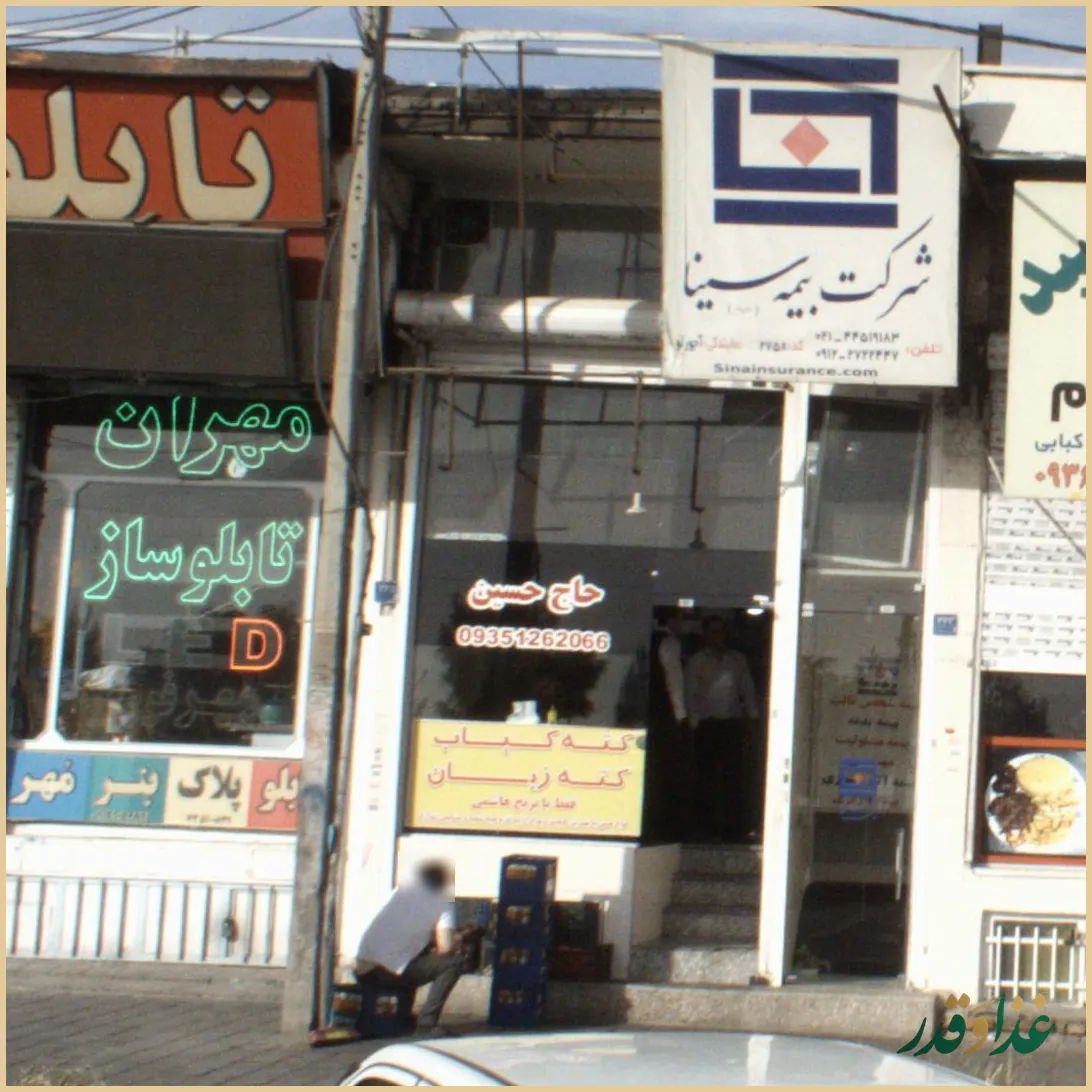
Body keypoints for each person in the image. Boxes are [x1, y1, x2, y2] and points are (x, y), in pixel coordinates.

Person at [353, 860, 470, 1038]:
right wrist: (458, 939)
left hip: (362, 969)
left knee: (413, 959)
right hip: (388, 973)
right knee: (454, 963)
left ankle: (404, 1017)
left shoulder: (401, 891)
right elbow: (446, 947)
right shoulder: (444, 900)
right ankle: (427, 1022)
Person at [685, 614, 762, 844]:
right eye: (713, 632)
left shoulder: (737, 660)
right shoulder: (697, 661)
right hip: (707, 725)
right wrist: (694, 723)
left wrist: (753, 717)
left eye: (721, 631)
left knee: (734, 777)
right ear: (706, 634)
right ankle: (706, 827)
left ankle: (735, 827)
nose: (718, 637)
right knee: (706, 778)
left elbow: (746, 688)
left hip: (732, 724)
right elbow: (691, 693)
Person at [650, 608, 696, 841]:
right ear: (671, 619)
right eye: (681, 618)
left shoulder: (647, 638)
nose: (683, 624)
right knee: (670, 771)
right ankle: (670, 824)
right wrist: (681, 716)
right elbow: (674, 680)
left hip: (651, 715)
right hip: (665, 716)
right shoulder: (669, 643)